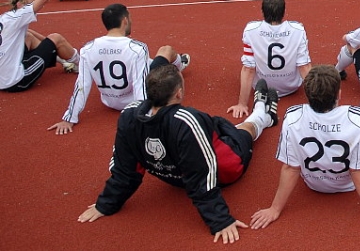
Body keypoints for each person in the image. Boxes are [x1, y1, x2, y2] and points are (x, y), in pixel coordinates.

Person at [78, 62, 279, 243]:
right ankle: (263, 114)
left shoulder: (129, 115)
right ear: (179, 93)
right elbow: (203, 176)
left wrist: (105, 204)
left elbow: (125, 168)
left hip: (174, 175)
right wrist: (220, 220)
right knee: (242, 132)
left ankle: (259, 111)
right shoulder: (187, 121)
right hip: (225, 169)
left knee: (219, 127)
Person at [249, 65, 360, 232]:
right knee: (358, 123)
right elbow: (359, 170)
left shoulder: (292, 116)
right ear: (339, 94)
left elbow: (290, 167)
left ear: (307, 95)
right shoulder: (359, 122)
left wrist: (274, 209)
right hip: (347, 183)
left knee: (355, 124)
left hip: (313, 184)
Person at [48, 3, 190, 134]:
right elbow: (139, 84)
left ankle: (170, 64)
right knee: (166, 50)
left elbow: (82, 85)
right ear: (125, 21)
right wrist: (142, 115)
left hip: (109, 101)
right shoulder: (137, 48)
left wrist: (69, 118)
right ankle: (180, 64)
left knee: (146, 62)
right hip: (132, 104)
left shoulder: (87, 49)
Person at [0, 0, 81, 92]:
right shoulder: (17, 17)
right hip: (15, 81)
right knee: (56, 38)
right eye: (32, 2)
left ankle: (64, 61)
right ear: (20, 4)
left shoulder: (5, 18)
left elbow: (31, 34)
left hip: (3, 78)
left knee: (29, 37)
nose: (36, 6)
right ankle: (83, 65)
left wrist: (52, 49)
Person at [228, 0, 311, 118]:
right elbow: (304, 66)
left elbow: (248, 68)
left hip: (261, 86)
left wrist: (242, 104)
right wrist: (318, 102)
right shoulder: (298, 30)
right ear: (284, 12)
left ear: (263, 11)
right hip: (291, 87)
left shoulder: (251, 30)